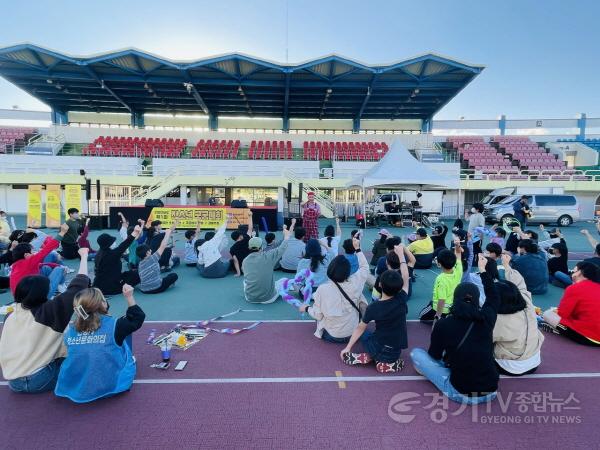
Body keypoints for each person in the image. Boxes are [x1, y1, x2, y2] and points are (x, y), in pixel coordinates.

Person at [411, 255, 500, 404]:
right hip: (491, 391)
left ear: (455, 299)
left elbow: (435, 355)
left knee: (417, 354)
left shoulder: (444, 324)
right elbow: (493, 297)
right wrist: (483, 271)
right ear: (478, 299)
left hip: (461, 392)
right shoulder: (487, 318)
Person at [0, 248, 90, 393]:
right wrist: (84, 256)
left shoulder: (11, 315)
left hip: (13, 381)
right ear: (42, 293)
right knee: (83, 356)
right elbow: (80, 284)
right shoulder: (49, 311)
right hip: (39, 379)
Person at [54, 284, 145, 403]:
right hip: (108, 385)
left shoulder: (71, 329)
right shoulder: (115, 325)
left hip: (76, 387)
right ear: (102, 304)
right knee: (124, 331)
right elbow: (137, 318)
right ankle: (126, 361)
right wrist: (129, 297)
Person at [340, 250, 410, 373]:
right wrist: (401, 256)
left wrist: (347, 348)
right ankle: (386, 363)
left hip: (377, 346)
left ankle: (371, 356)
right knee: (384, 345)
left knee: (364, 333)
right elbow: (405, 276)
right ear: (400, 287)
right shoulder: (402, 298)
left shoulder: (374, 307)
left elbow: (360, 329)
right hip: (394, 351)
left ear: (380, 285)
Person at [299, 236, 369, 343]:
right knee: (360, 297)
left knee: (319, 310)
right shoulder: (356, 281)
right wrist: (358, 249)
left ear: (330, 270)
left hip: (332, 334)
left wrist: (307, 308)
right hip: (353, 332)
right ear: (348, 271)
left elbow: (317, 315)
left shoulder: (322, 289)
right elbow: (364, 267)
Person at [493, 253, 544, 376]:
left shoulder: (498, 320)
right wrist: (506, 266)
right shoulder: (527, 304)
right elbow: (520, 285)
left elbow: (481, 338)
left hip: (511, 367)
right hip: (534, 362)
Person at [541, 261, 600, 346]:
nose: (572, 273)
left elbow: (562, 314)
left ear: (580, 272)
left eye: (574, 271)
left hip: (589, 337)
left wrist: (554, 311)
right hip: (594, 331)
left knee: (547, 314)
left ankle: (558, 330)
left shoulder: (574, 288)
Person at [9, 224, 69, 298]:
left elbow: (40, 264)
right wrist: (62, 233)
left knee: (45, 268)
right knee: (60, 269)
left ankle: (58, 288)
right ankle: (61, 288)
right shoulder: (29, 261)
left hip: (23, 299)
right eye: (32, 251)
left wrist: (56, 265)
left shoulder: (17, 265)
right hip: (36, 299)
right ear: (26, 255)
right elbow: (47, 249)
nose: (34, 253)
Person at [241, 225, 291, 303]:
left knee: (245, 281)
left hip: (250, 299)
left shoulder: (245, 261)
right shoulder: (268, 256)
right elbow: (282, 248)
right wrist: (287, 237)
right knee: (284, 280)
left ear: (249, 247)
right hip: (268, 299)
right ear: (261, 247)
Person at [419, 239, 464, 322]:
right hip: (451, 307)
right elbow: (458, 253)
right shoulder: (458, 269)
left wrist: (437, 316)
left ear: (439, 264)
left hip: (439, 309)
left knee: (421, 316)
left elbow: (442, 300)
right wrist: (458, 245)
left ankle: (441, 318)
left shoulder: (441, 279)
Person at [92, 224, 143, 295]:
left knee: (130, 273)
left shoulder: (100, 253)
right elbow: (124, 245)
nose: (114, 242)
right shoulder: (112, 254)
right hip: (111, 287)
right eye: (112, 242)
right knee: (137, 274)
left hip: (101, 284)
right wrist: (134, 233)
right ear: (108, 244)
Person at [136, 222, 178, 294]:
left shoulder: (140, 264)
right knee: (173, 275)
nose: (151, 251)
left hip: (144, 290)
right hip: (157, 287)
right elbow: (163, 246)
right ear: (147, 253)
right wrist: (167, 233)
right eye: (149, 250)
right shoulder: (153, 258)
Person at [230, 212, 254, 277]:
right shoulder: (246, 238)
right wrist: (250, 216)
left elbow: (235, 261)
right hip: (250, 265)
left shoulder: (232, 248)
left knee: (231, 260)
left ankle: (241, 270)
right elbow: (250, 228)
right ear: (240, 236)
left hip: (240, 267)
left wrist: (238, 273)